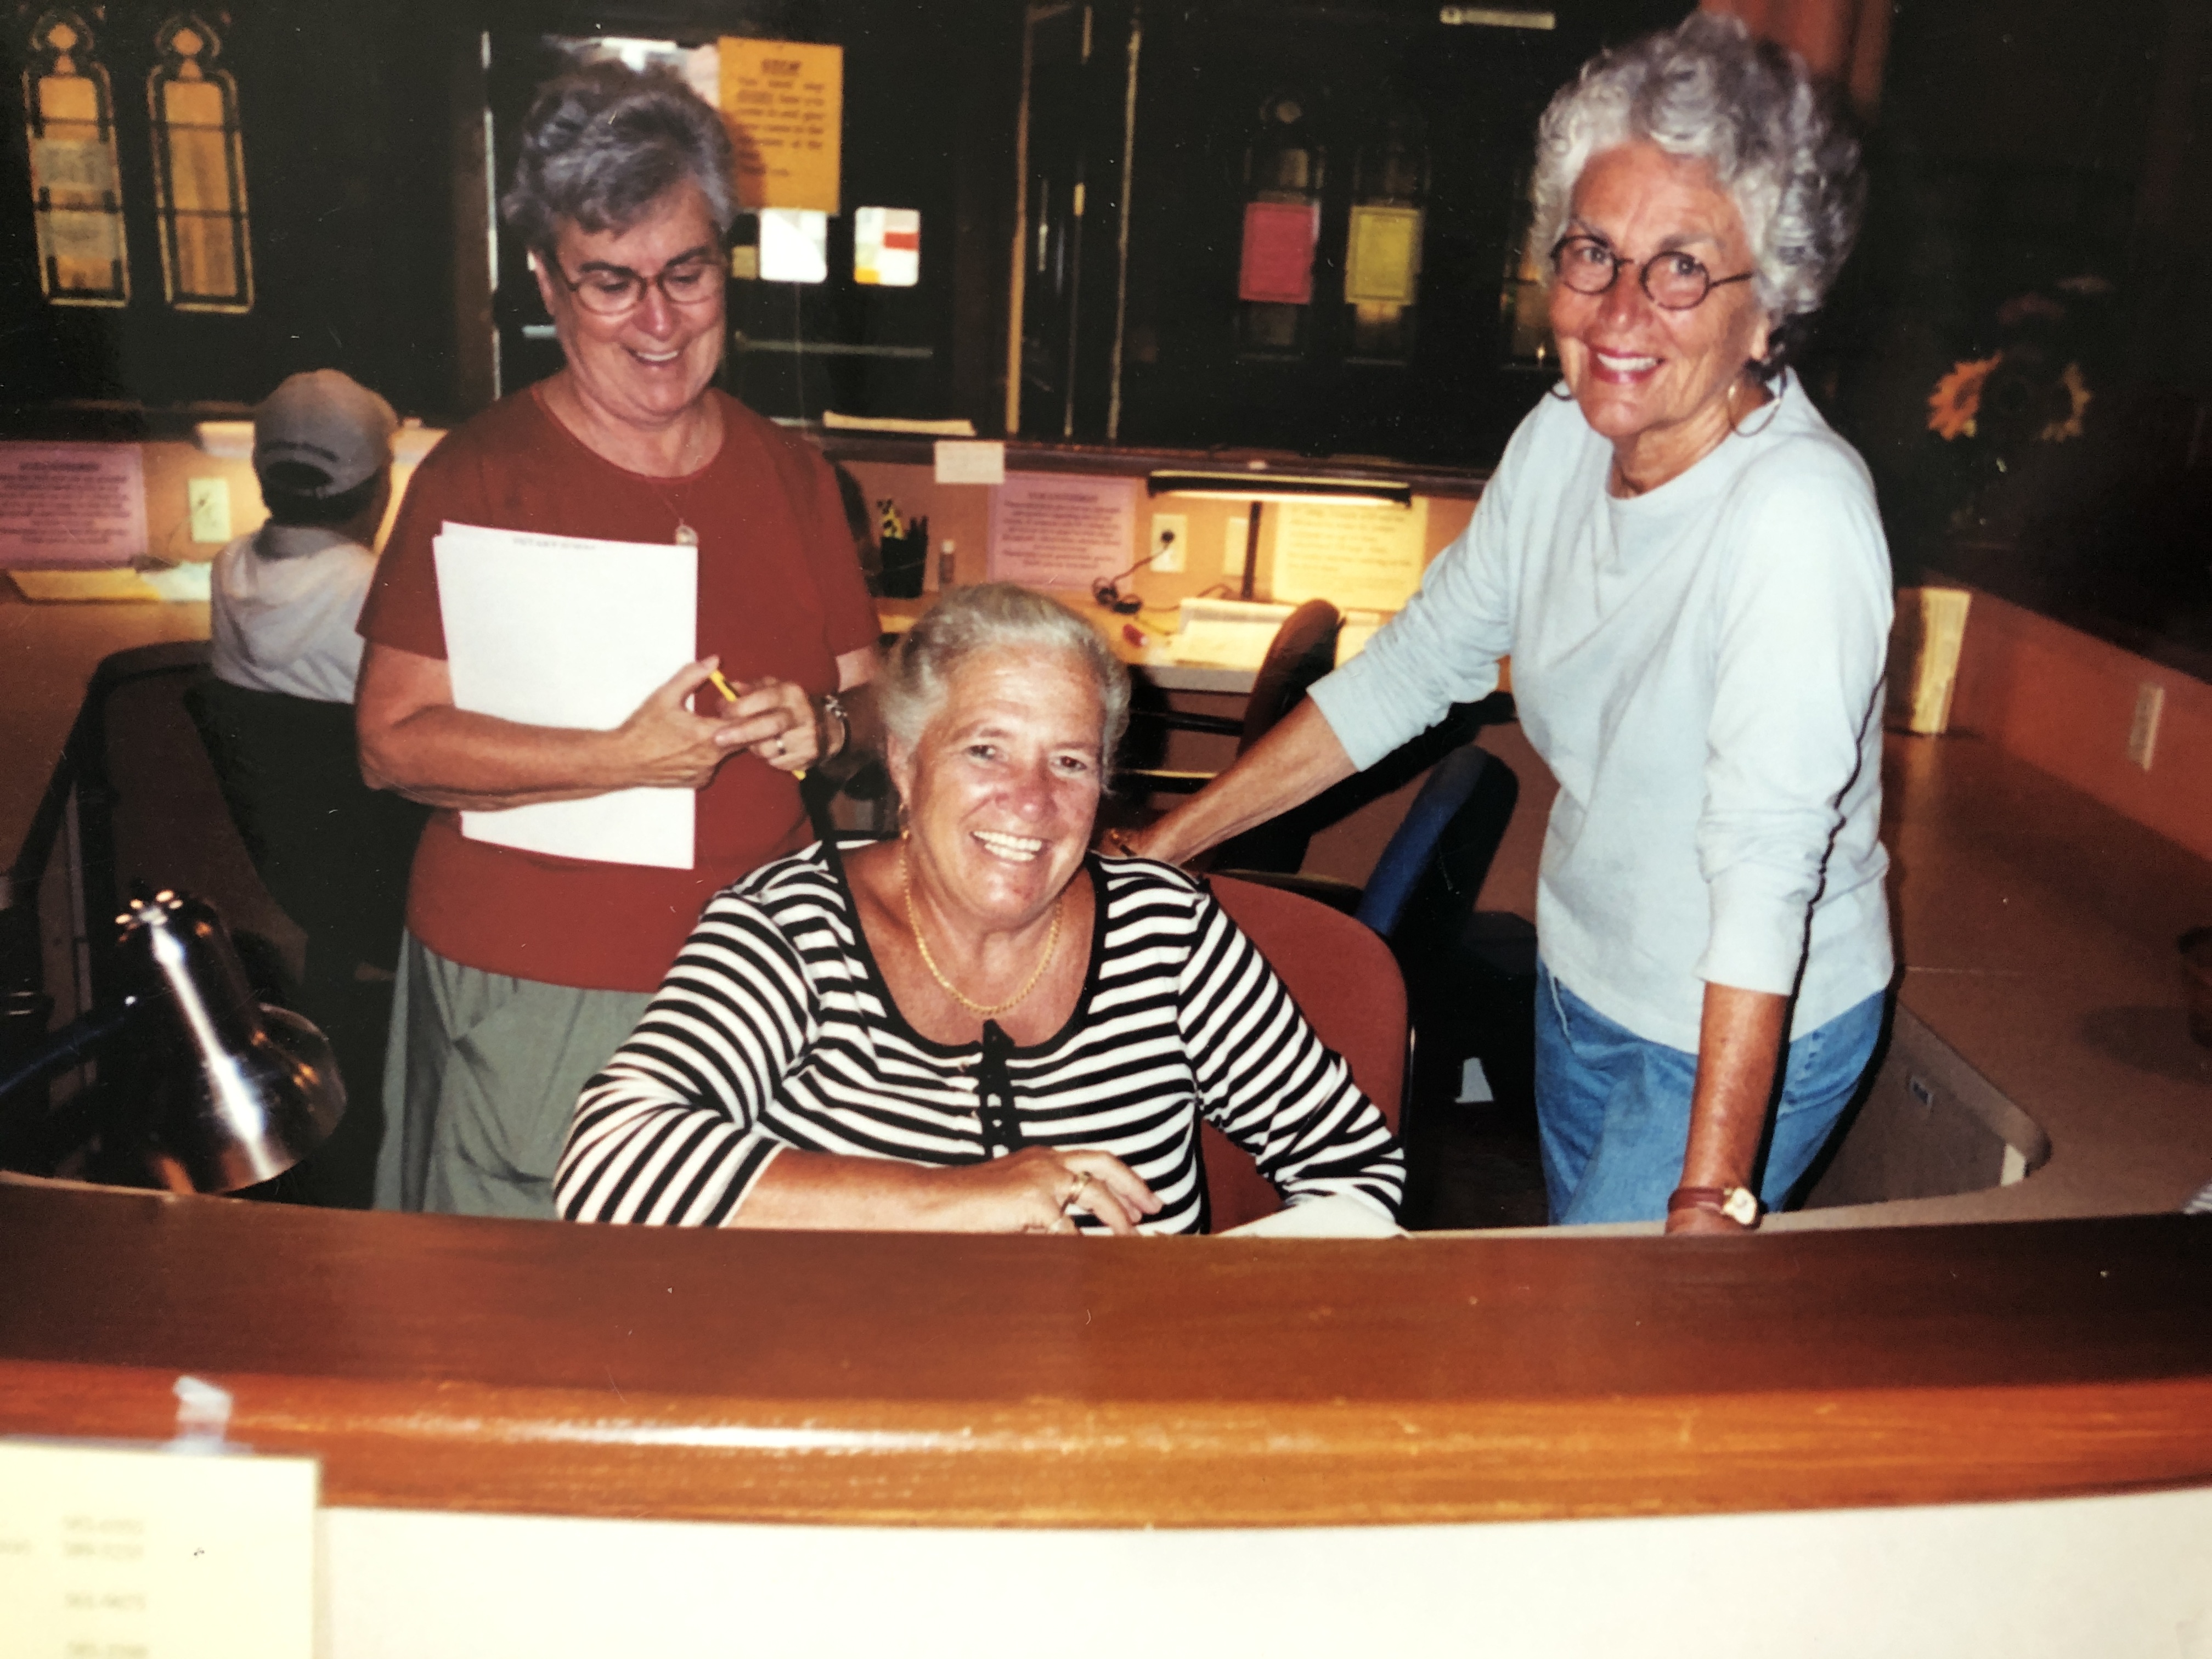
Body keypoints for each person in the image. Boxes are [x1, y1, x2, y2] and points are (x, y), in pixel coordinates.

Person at [1126, 14, 1891, 1236]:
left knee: (1622, 1360)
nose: (1622, 309)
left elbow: (1763, 870)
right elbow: (1414, 670)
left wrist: (1710, 1190)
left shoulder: (1794, 516)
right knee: (1596, 1319)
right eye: (1593, 252)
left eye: (1683, 264)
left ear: (1772, 302)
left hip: (1737, 1017)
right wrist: (1167, 847)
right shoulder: (1559, 443)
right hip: (1589, 973)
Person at [355, 61, 878, 1220]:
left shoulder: (795, 478)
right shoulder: (481, 477)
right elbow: (392, 745)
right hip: (540, 984)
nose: (658, 321)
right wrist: (618, 758)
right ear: (547, 281)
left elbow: (876, 707)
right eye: (610, 282)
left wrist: (827, 722)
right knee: (528, 1324)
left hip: (763, 984)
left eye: (686, 273)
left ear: (724, 258)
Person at [556, 585, 1403, 1233]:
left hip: (1116, 1410)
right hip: (850, 1402)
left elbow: (1357, 1170)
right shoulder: (790, 929)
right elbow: (608, 1162)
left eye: (1069, 762)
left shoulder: (1168, 933)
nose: (1030, 801)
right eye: (986, 749)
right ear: (905, 763)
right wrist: (952, 1201)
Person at [193, 369, 428, 1207]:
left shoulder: (229, 572)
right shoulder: (377, 595)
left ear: (264, 478)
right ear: (378, 485)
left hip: (305, 872)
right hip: (394, 879)